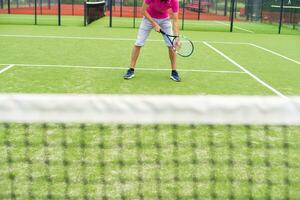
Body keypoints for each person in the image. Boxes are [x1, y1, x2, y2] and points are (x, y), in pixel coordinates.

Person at [123, 0, 181, 81]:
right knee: (138, 43)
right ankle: (131, 70)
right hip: (148, 18)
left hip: (165, 20)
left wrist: (177, 37)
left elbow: (175, 20)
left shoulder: (174, 1)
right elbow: (143, 11)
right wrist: (154, 23)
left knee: (172, 46)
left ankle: (174, 72)